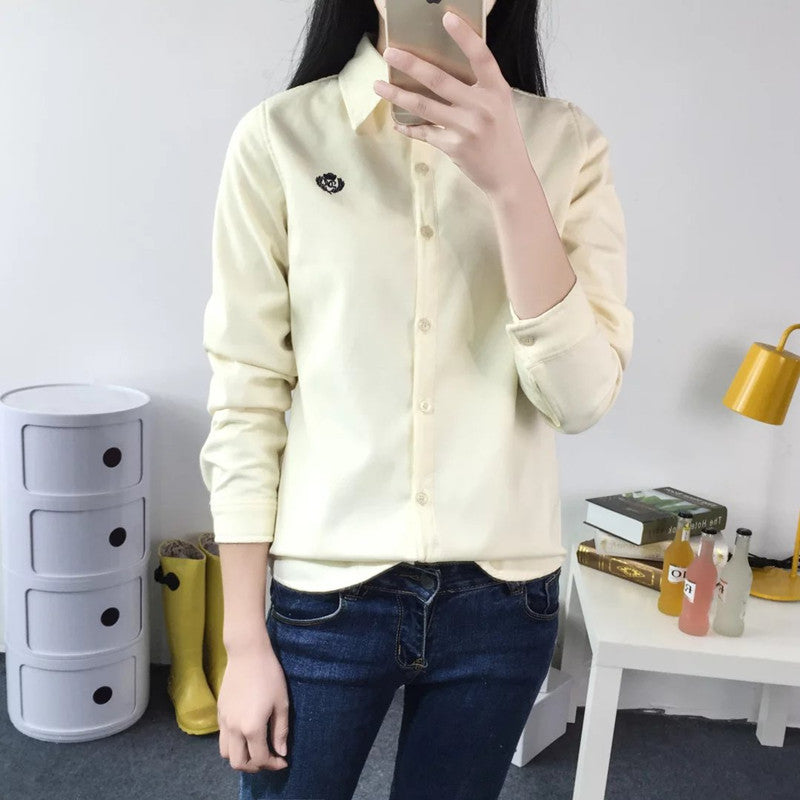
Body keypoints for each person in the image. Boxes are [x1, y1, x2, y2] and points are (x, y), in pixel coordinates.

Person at [198, 0, 634, 798]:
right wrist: (243, 642)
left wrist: (512, 182)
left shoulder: (566, 144)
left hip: (505, 600)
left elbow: (579, 400)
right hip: (325, 594)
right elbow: (246, 396)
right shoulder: (280, 137)